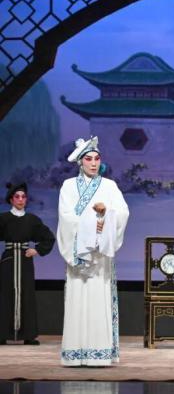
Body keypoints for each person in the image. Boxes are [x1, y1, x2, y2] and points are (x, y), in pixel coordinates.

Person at [56, 136, 129, 366]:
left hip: (100, 254)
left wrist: (105, 218)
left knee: (99, 298)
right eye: (88, 159)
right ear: (80, 162)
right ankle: (75, 353)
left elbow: (123, 212)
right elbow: (66, 217)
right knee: (78, 298)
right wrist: (91, 224)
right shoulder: (68, 186)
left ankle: (100, 353)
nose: (94, 163)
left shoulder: (109, 186)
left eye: (97, 158)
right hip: (79, 252)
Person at [0, 182, 55, 345]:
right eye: (17, 197)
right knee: (5, 294)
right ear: (11, 199)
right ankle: (2, 333)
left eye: (23, 197)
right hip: (8, 260)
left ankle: (28, 335)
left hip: (25, 260)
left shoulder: (32, 220)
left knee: (26, 294)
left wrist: (37, 250)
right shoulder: (3, 218)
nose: (20, 199)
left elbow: (49, 238)